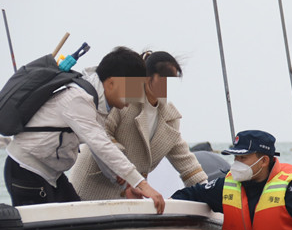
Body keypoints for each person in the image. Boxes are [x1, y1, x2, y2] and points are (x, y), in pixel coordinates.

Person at [3, 46, 165, 213]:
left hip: (52, 175)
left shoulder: (97, 103)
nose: (135, 98)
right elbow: (101, 145)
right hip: (26, 171)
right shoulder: (78, 99)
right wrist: (141, 183)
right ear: (112, 82)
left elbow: (99, 150)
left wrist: (125, 184)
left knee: (77, 218)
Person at [71, 51, 207, 200]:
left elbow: (187, 164)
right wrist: (130, 175)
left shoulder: (170, 117)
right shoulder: (122, 100)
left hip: (130, 201)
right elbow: (101, 134)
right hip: (92, 192)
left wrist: (209, 191)